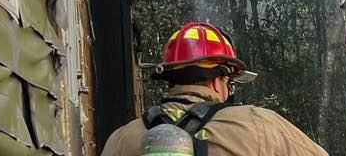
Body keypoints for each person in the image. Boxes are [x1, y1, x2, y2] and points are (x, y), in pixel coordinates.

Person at [101, 21, 329, 156]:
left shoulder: (121, 138)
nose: (229, 93)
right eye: (230, 85)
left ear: (171, 79)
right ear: (218, 80)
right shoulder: (259, 123)